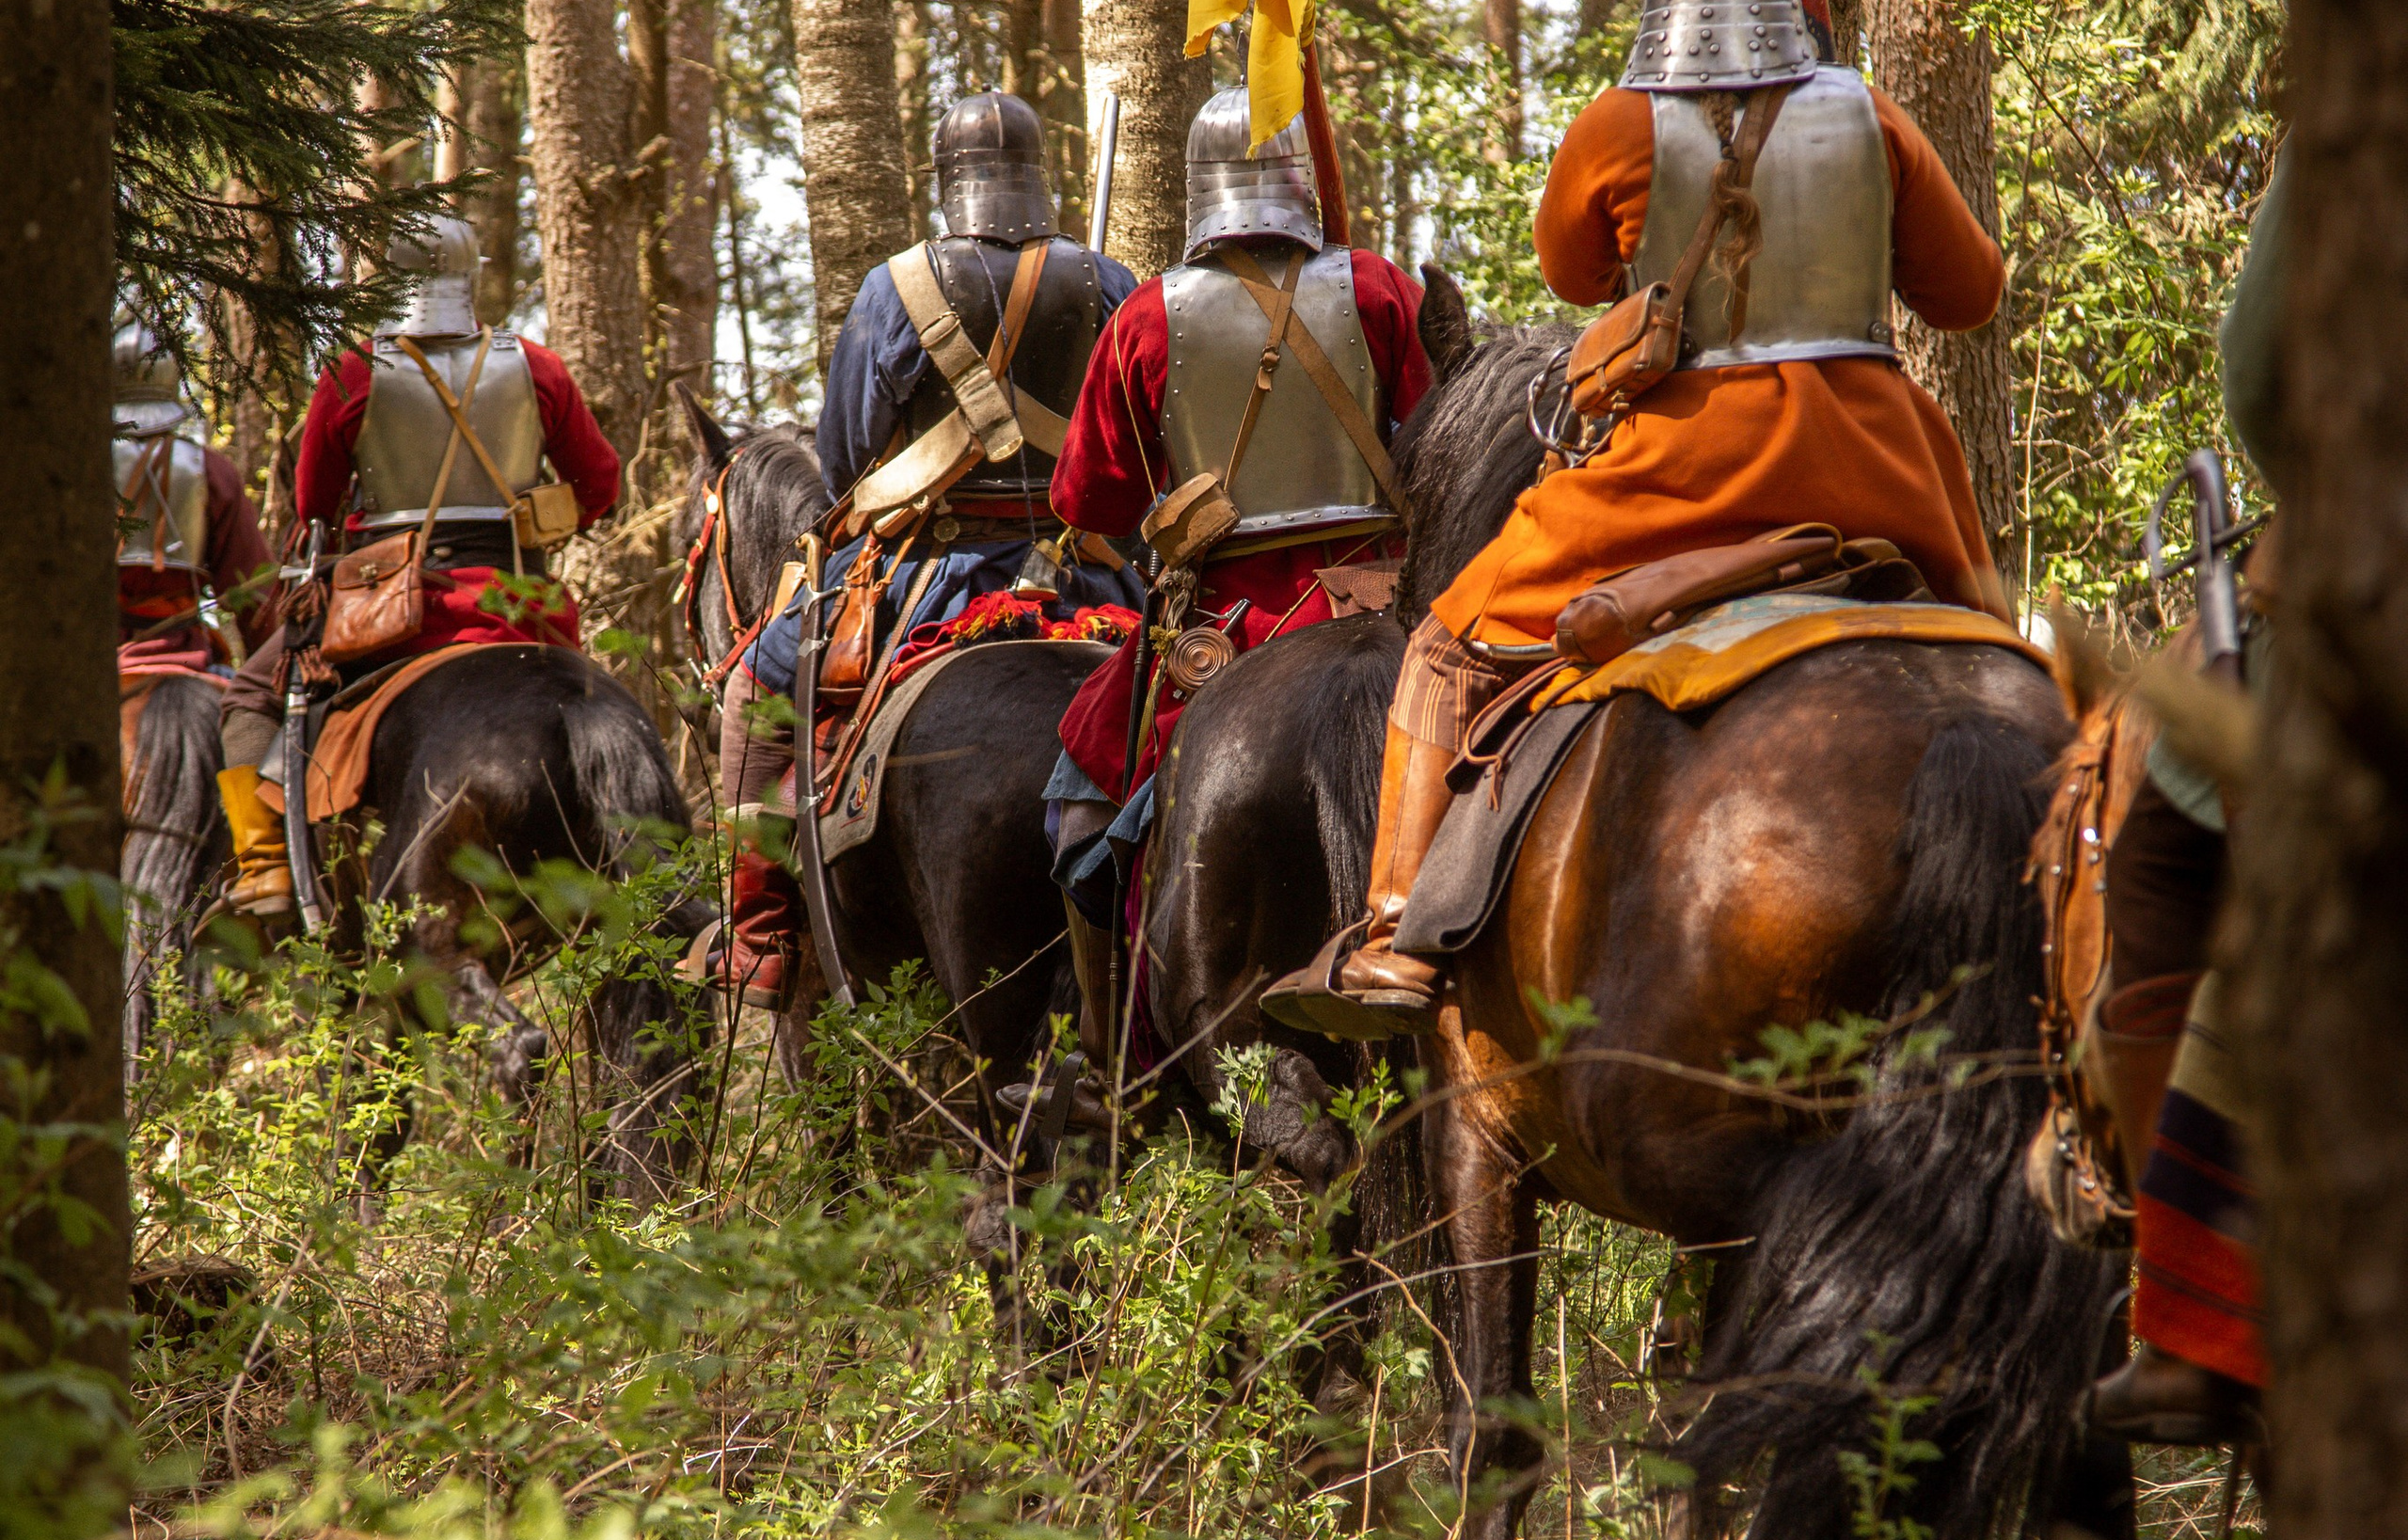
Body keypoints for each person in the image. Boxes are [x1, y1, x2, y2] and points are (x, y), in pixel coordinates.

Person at [1264, 0, 2011, 1038]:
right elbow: (1971, 295)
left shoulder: (1620, 121)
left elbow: (1570, 274)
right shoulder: (1871, 117)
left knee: (1444, 648)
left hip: (1678, 473)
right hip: (1884, 472)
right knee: (1996, 655)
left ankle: (1395, 934)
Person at [717, 90, 1143, 1008]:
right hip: (1091, 580)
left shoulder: (898, 285)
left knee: (752, 686)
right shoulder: (1105, 279)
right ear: (1038, 175)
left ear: (947, 180)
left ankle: (759, 933)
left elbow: (842, 458)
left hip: (926, 581)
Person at [1038, 83, 1433, 1066]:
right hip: (1388, 599)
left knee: (1081, 785)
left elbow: (1088, 502)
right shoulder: (1378, 288)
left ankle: (1111, 1057)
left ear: (1198, 188)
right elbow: (1439, 437)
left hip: (1232, 623)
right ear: (1302, 181)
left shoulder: (1147, 316)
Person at [214, 216, 621, 918]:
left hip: (391, 612)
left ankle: (267, 868)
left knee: (249, 694)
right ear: (473, 276)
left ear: (390, 278)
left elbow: (313, 507)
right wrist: (539, 519)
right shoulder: (538, 366)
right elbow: (601, 485)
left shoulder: (353, 372)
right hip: (518, 601)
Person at [2084, 150, 2290, 1447]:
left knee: (2163, 859)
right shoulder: (1871, 133)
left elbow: (2261, 368)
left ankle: (2201, 1320)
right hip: (1877, 462)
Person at [110, 317, 276, 671]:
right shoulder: (211, 470)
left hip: (85, 653)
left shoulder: (69, 472)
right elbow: (254, 591)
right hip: (188, 653)